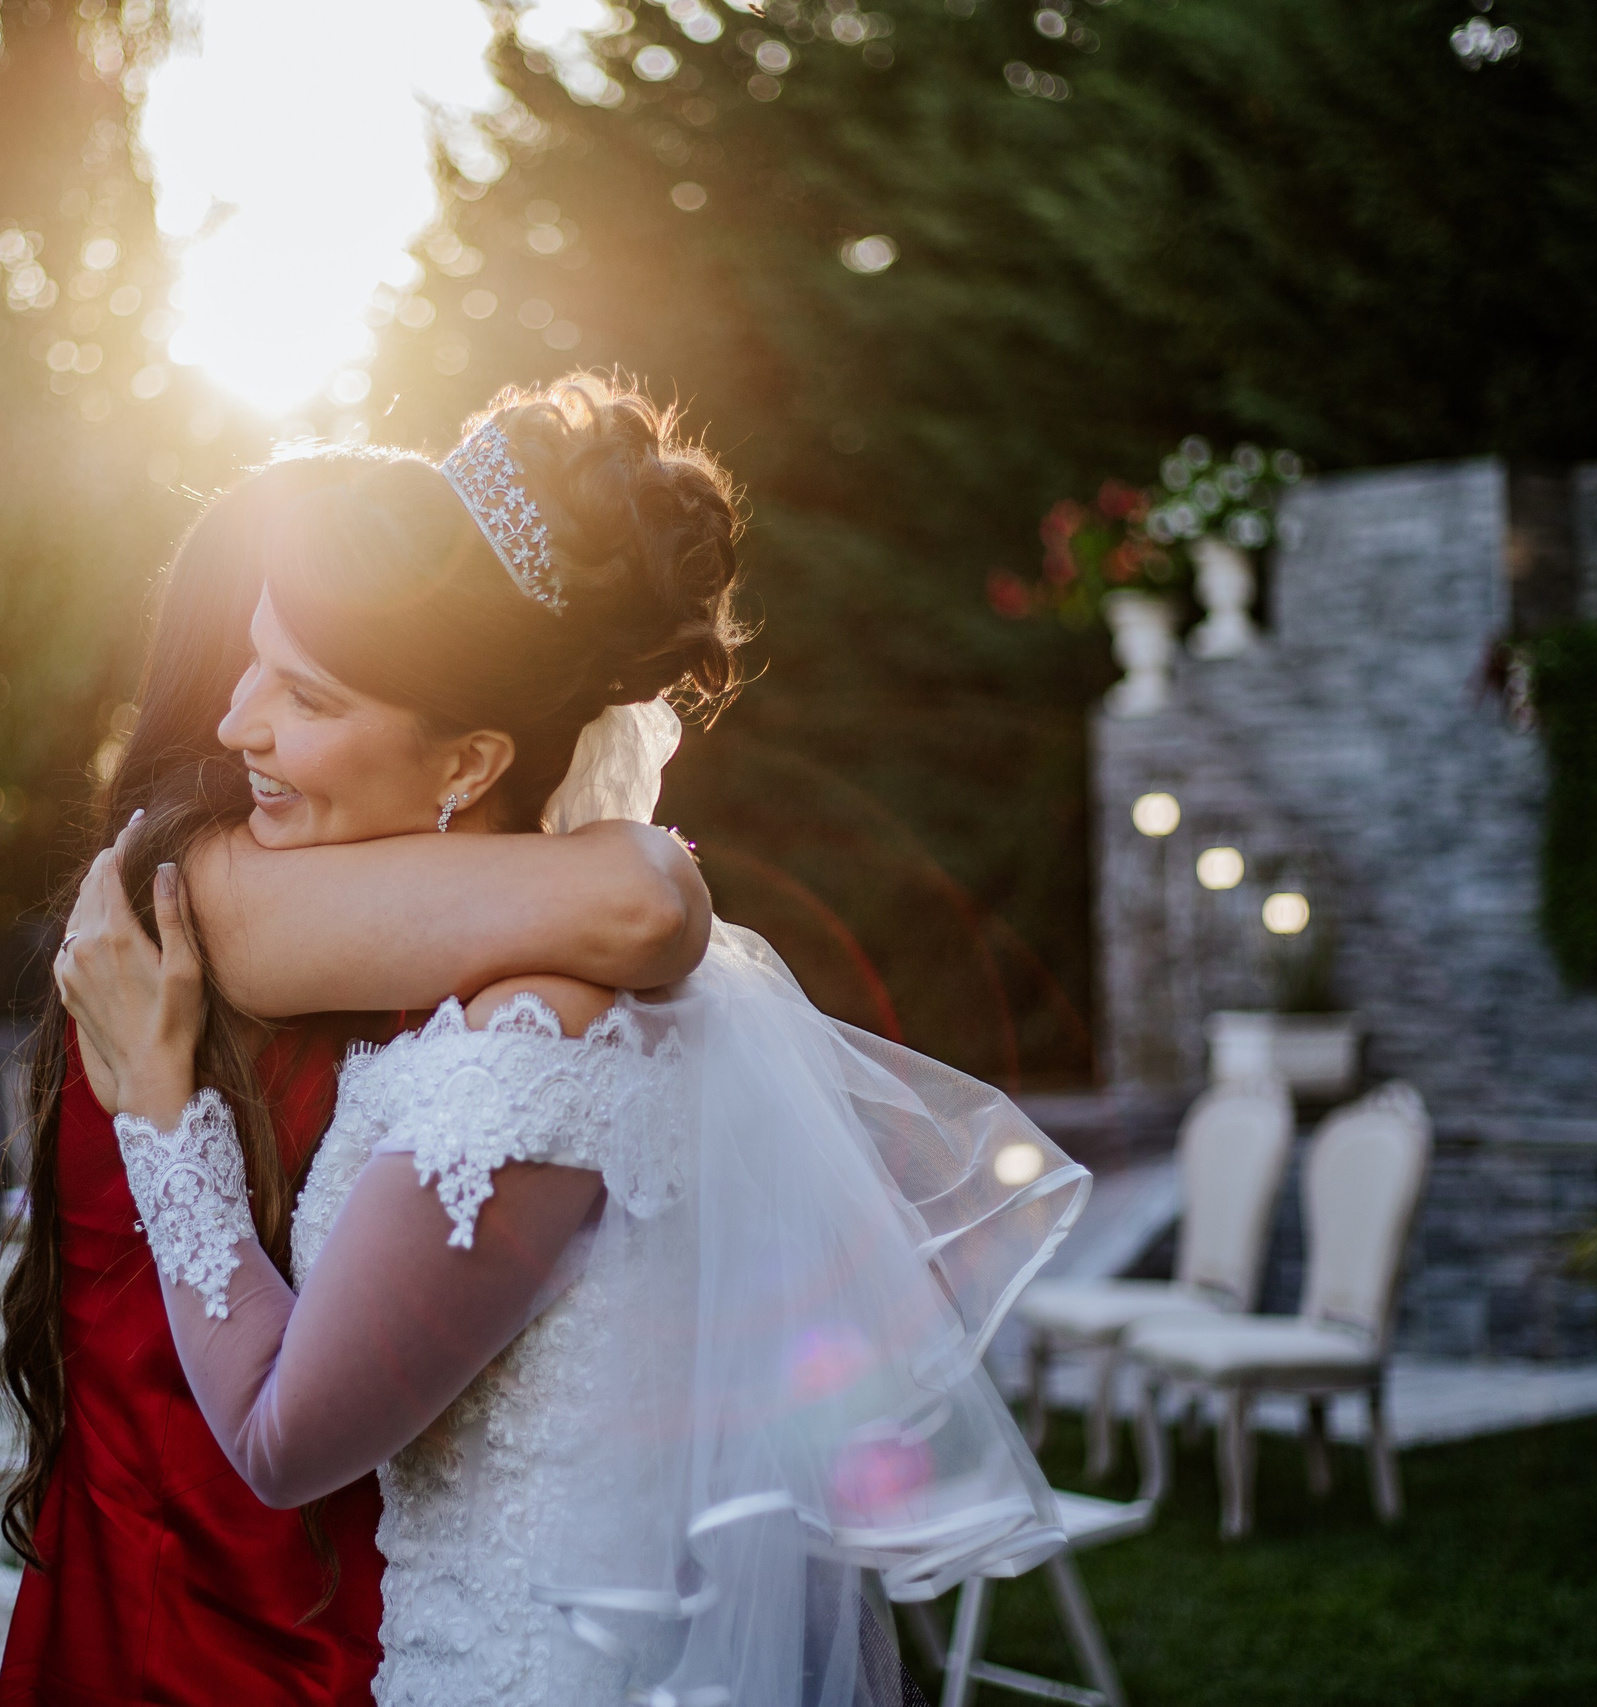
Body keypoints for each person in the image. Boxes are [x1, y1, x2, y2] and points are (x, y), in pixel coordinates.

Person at [59, 376, 1089, 1706]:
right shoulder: (531, 991)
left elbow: (276, 1433)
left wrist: (158, 1104)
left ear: (470, 762)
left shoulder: (534, 1059)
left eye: (304, 695)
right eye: (252, 656)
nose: (239, 718)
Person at [0, 451, 719, 1707]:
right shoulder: (210, 894)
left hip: (287, 1596)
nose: (244, 718)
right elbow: (642, 900)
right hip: (219, 1608)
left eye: (315, 680)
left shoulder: (431, 959)